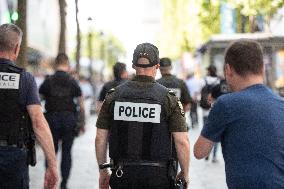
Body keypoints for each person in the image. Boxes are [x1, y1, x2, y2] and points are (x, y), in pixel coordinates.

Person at [95, 43, 190, 189]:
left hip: (122, 174)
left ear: (133, 66)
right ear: (157, 66)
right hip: (158, 177)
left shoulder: (114, 96)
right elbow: (182, 141)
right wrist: (185, 172)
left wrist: (103, 171)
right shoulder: (168, 98)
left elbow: (100, 138)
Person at [194, 40, 284, 188]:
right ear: (262, 68)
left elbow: (199, 152)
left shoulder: (225, 104)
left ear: (228, 69)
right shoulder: (281, 104)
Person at [0, 23, 58, 188]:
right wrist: (52, 164)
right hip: (13, 156)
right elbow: (38, 123)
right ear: (17, 48)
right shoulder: (25, 79)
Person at [39, 53, 85, 189]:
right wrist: (81, 123)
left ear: (55, 63)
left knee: (50, 152)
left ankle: (50, 182)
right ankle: (64, 184)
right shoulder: (72, 81)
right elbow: (81, 104)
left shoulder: (48, 81)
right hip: (69, 120)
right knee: (67, 153)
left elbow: (37, 101)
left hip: (51, 120)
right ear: (67, 63)